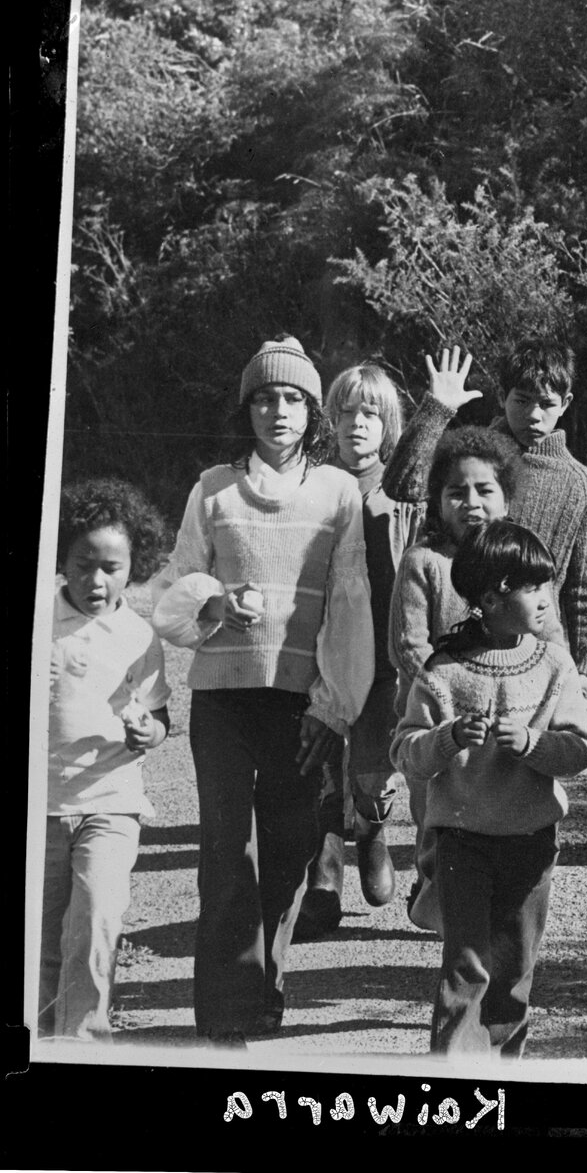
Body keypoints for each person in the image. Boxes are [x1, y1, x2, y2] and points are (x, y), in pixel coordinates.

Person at [152, 336, 373, 1045]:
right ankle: (223, 1014)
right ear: (245, 408)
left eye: (292, 399)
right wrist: (217, 601)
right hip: (222, 701)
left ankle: (265, 986)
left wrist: (332, 706)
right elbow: (177, 596)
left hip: (300, 707)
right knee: (226, 854)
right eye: (264, 398)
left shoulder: (339, 492)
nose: (278, 411)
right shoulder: (212, 487)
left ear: (313, 412)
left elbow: (350, 603)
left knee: (288, 851)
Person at [391, 521, 587, 1057]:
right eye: (532, 587)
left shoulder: (554, 664)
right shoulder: (445, 670)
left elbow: (578, 750)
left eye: (547, 585)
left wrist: (532, 742)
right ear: (491, 598)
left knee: (513, 971)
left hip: (531, 843)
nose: (546, 599)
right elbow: (404, 749)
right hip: (462, 842)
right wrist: (447, 737)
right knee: (466, 967)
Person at [382, 343, 587, 704]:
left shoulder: (580, 483)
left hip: (533, 664)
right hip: (443, 661)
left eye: (546, 403)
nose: (533, 414)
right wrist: (438, 410)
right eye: (521, 400)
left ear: (565, 403)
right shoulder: (473, 458)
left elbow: (583, 589)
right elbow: (401, 484)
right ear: (502, 396)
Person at [296, 363, 424, 939]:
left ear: (388, 424)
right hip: (326, 650)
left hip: (383, 655)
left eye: (370, 413)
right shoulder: (314, 485)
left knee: (373, 766)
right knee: (321, 758)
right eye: (346, 411)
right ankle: (324, 877)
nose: (357, 424)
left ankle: (371, 832)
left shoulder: (399, 491)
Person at [43, 479, 173, 1040]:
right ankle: (39, 1041)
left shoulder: (140, 637)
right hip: (40, 807)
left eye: (112, 567)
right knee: (42, 939)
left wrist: (150, 732)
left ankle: (82, 1043)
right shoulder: (38, 622)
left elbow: (160, 716)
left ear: (134, 565)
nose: (96, 580)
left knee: (95, 924)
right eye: (83, 563)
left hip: (111, 805)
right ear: (61, 558)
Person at [389, 425, 512, 932]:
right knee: (437, 821)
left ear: (506, 496)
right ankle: (436, 888)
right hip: (435, 722)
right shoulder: (424, 562)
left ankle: (481, 902)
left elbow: (542, 631)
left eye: (485, 490)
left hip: (504, 719)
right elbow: (408, 644)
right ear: (437, 500)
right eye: (456, 492)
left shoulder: (516, 560)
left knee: (496, 820)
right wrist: (449, 698)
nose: (471, 503)